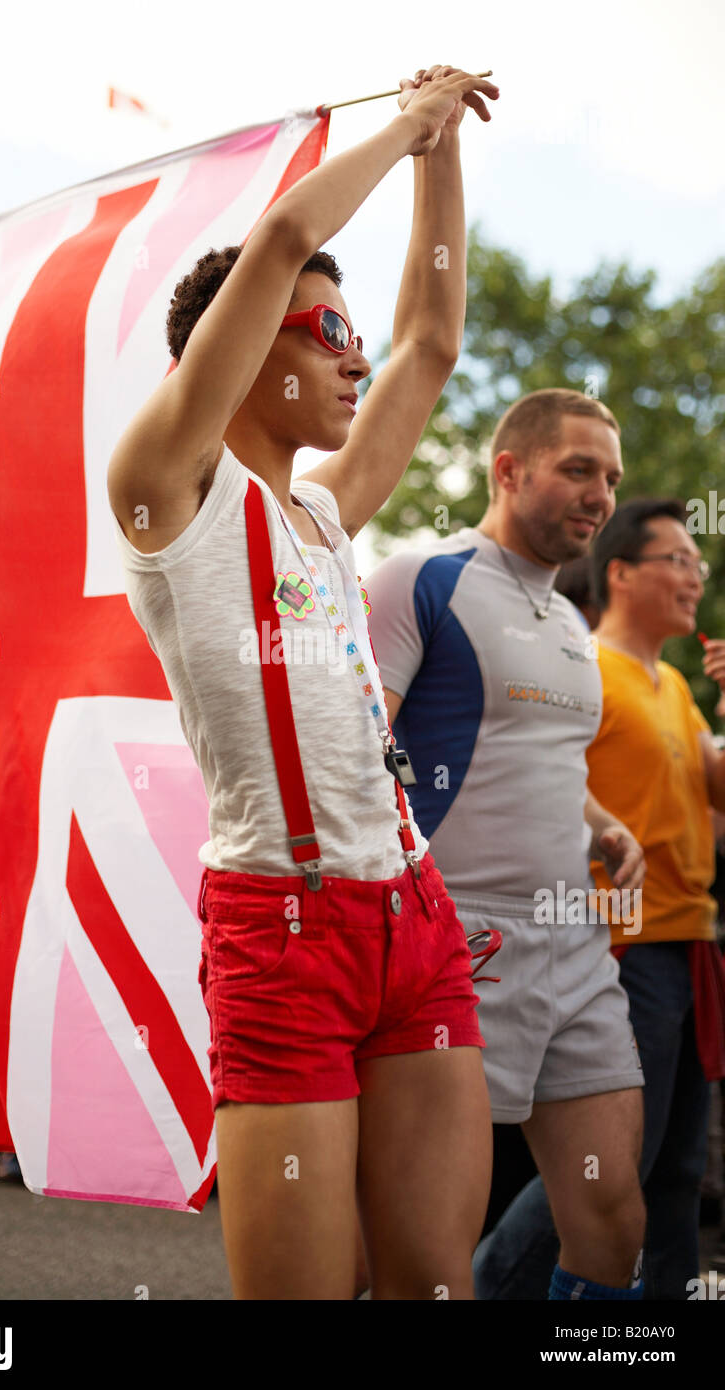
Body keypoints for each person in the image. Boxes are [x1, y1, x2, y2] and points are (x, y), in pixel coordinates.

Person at [107, 64, 500, 1300]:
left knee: (437, 1286)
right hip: (281, 931)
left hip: (412, 919)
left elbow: (434, 344)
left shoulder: (322, 515)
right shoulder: (166, 487)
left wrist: (446, 152)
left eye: (351, 339)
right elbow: (283, 235)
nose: (354, 360)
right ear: (243, 344)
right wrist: (402, 124)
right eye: (327, 332)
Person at [366, 388, 649, 1301]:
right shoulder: (420, 578)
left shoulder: (571, 623)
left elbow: (547, 766)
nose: (601, 495)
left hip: (577, 941)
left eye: (610, 477)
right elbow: (356, 751)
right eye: (578, 470)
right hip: (459, 940)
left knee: (613, 1219)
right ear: (508, 469)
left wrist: (603, 827)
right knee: (409, 1243)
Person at [477, 499, 725, 1299]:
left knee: (677, 1172)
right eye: (680, 560)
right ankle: (486, 1288)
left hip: (687, 948)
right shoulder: (584, 670)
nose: (698, 576)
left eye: (700, 561)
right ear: (620, 572)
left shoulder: (675, 687)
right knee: (606, 1173)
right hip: (620, 947)